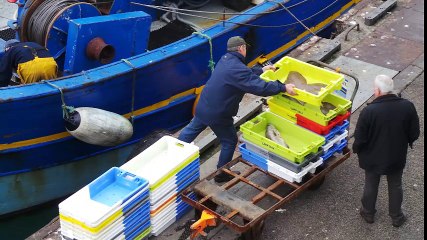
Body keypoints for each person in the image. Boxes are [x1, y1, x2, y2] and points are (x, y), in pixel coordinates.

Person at [178, 36, 296, 183]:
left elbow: (243, 74)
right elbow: (259, 87)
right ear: (242, 48)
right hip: (219, 113)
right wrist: (283, 87)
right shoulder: (237, 68)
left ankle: (173, 156)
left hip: (204, 106)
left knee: (190, 131)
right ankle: (222, 174)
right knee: (229, 140)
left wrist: (261, 69)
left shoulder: (226, 59)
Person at [353, 75, 420, 227]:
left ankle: (368, 213)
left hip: (372, 157)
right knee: (395, 184)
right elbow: (414, 132)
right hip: (396, 155)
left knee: (371, 184)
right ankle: (396, 216)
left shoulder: (369, 111)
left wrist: (356, 149)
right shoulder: (407, 106)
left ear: (377, 91)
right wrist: (406, 141)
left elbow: (360, 138)